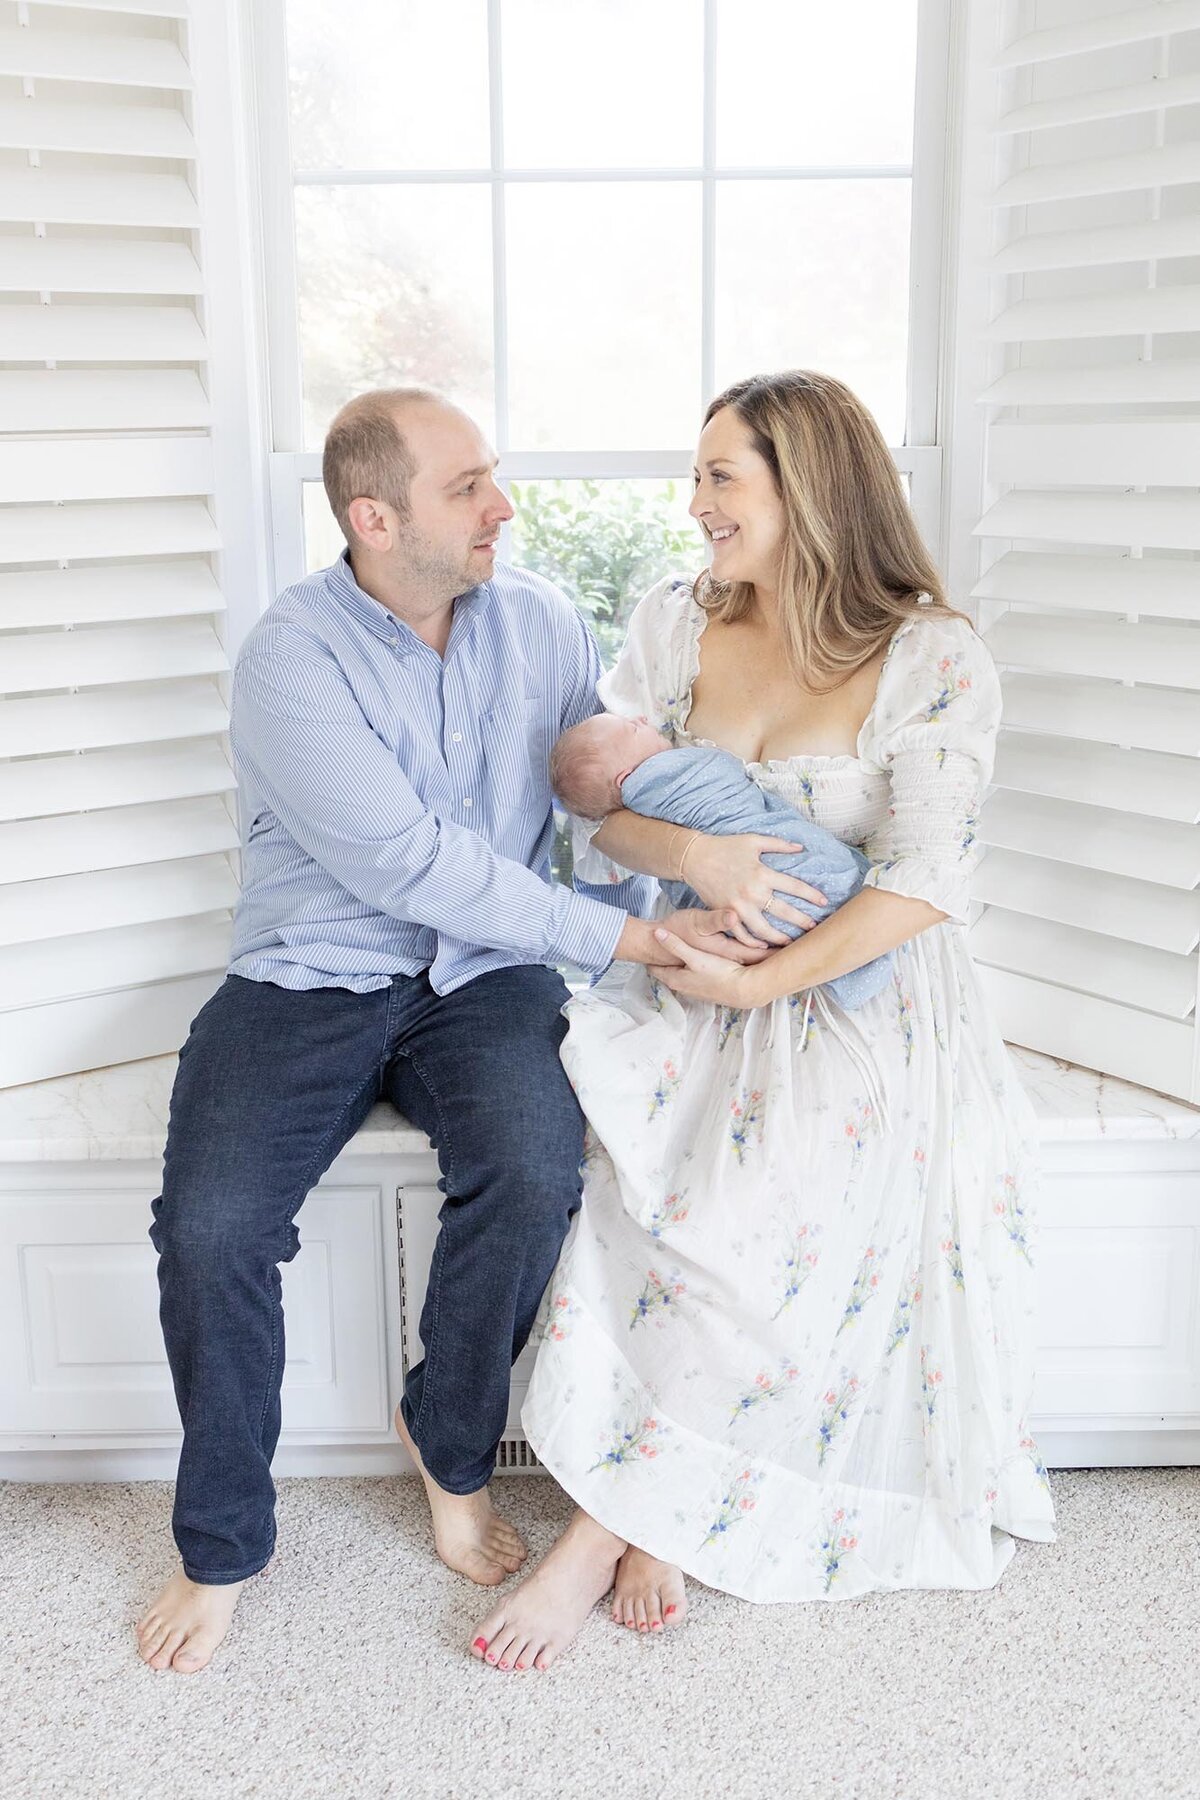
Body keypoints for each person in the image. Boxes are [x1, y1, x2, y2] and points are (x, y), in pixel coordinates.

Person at [134, 386, 781, 1676]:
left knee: (536, 1172)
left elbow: (598, 800)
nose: (503, 505)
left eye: (494, 477)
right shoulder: (291, 658)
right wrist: (633, 940)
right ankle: (220, 1546)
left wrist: (687, 908)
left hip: (489, 974)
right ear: (375, 519)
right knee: (211, 1229)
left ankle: (447, 1442)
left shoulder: (536, 619)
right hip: (311, 973)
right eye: (467, 487)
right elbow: (406, 864)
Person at [470, 369, 1056, 1676]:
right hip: (695, 960)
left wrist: (766, 982)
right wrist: (710, 874)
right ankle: (663, 1507)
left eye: (719, 477)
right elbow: (602, 813)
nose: (693, 507)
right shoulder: (681, 624)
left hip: (862, 990)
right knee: (641, 1175)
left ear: (809, 486)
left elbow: (926, 877)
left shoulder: (931, 655)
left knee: (764, 1202)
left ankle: (596, 1534)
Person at [550, 711, 894, 1010]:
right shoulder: (658, 780)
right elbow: (600, 829)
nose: (641, 719)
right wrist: (694, 855)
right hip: (715, 949)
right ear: (627, 780)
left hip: (873, 919)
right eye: (632, 728)